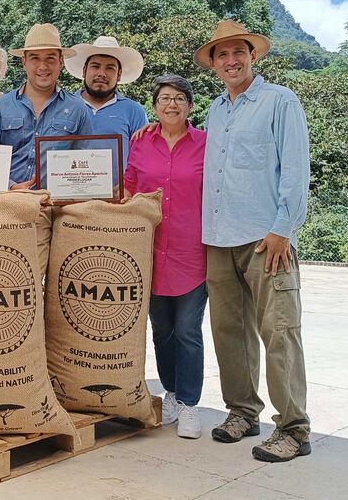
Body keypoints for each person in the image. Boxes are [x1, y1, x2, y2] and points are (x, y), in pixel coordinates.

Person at [195, 20, 311, 463]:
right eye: (221, 55)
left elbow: (295, 169)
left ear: (253, 56)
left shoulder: (280, 101)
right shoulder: (216, 110)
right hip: (219, 237)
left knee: (280, 331)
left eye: (237, 52)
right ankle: (243, 412)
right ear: (214, 64)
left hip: (267, 238)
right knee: (229, 332)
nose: (230, 60)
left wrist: (284, 227)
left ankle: (294, 429)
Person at [123, 74, 207, 440]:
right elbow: (127, 186)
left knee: (188, 331)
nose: (171, 104)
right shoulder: (141, 143)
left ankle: (190, 404)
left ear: (190, 106)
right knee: (161, 331)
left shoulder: (207, 144)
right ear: (154, 107)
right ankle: (170, 394)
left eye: (179, 98)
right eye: (164, 99)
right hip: (150, 251)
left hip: (193, 251)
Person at [0, 23, 93, 190]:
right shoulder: (1, 106)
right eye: (35, 58)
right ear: (24, 62)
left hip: (57, 203)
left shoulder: (77, 108)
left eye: (50, 58)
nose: (43, 66)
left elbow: (86, 162)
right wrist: (11, 187)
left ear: (60, 62)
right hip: (7, 200)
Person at [65, 36, 148, 186]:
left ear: (119, 74)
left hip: (117, 202)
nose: (101, 73)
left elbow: (143, 160)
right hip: (70, 200)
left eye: (110, 68)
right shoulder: (64, 107)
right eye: (95, 66)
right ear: (84, 70)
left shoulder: (134, 111)